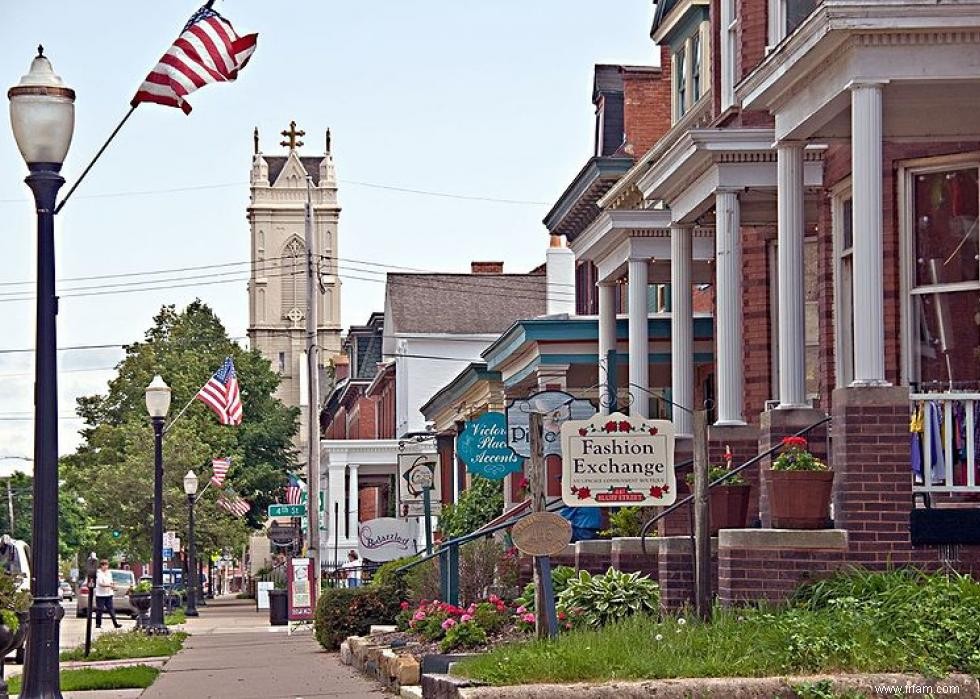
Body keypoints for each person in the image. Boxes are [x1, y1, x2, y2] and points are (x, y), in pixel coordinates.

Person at [94, 559, 122, 629]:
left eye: (107, 565)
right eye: (104, 565)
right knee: (100, 610)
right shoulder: (98, 573)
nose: (106, 567)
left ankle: (115, 624)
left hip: (109, 594)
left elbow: (111, 582)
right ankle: (98, 624)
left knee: (111, 610)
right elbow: (101, 584)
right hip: (100, 595)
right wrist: (110, 585)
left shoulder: (109, 573)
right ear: (101, 566)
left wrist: (113, 587)